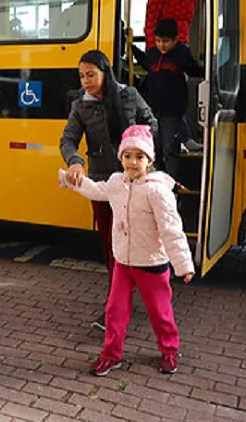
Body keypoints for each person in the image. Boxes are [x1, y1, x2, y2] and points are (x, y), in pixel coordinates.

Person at [59, 125, 194, 376]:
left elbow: (171, 230)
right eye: (127, 156)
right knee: (114, 312)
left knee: (160, 313)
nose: (133, 162)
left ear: (150, 160)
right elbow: (97, 191)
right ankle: (111, 355)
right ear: (120, 157)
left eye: (140, 157)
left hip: (152, 264)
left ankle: (169, 351)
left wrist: (183, 264)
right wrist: (72, 181)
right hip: (123, 262)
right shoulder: (116, 183)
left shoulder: (157, 190)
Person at [60, 49, 157, 329]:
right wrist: (75, 162)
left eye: (91, 75)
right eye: (81, 76)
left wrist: (140, 152)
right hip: (103, 185)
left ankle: (122, 304)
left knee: (132, 244)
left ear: (105, 72)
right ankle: (118, 301)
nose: (85, 81)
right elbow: (68, 139)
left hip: (134, 184)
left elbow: (151, 123)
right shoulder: (81, 106)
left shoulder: (128, 96)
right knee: (110, 245)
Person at [132, 18, 202, 179]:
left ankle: (171, 184)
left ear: (175, 40)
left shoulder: (182, 54)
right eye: (158, 41)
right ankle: (156, 179)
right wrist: (133, 49)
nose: (161, 45)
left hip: (172, 110)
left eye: (165, 41)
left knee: (170, 149)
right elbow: (146, 63)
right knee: (155, 148)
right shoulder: (153, 53)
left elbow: (194, 70)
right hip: (152, 108)